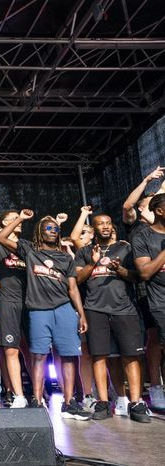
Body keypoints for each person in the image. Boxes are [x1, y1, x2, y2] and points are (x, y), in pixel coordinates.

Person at [0, 209, 91, 420]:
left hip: (64, 309)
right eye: (48, 228)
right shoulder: (30, 251)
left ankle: (68, 403)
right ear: (40, 231)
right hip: (39, 311)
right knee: (38, 356)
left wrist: (81, 314)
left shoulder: (65, 257)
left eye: (55, 229)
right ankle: (37, 401)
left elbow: (73, 288)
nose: (53, 231)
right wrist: (20, 218)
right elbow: (1, 237)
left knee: (68, 356)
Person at [75, 214, 150, 422]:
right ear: (94, 228)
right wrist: (92, 263)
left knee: (131, 356)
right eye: (101, 224)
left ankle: (136, 403)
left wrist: (121, 269)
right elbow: (78, 279)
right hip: (94, 309)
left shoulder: (125, 248)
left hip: (124, 309)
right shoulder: (84, 251)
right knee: (99, 356)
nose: (106, 226)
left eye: (109, 223)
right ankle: (103, 402)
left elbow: (138, 276)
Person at [0, 197, 30, 408]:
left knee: (33, 351)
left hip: (30, 301)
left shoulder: (26, 246)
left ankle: (37, 392)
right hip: (8, 301)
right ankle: (16, 394)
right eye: (12, 219)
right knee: (10, 350)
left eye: (18, 218)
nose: (18, 221)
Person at [124, 168, 165, 409]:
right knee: (154, 338)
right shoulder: (137, 228)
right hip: (147, 292)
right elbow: (128, 205)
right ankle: (156, 386)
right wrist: (146, 180)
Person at [133, 193, 165, 411]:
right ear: (159, 211)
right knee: (156, 340)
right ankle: (155, 387)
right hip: (156, 298)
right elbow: (144, 272)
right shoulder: (142, 236)